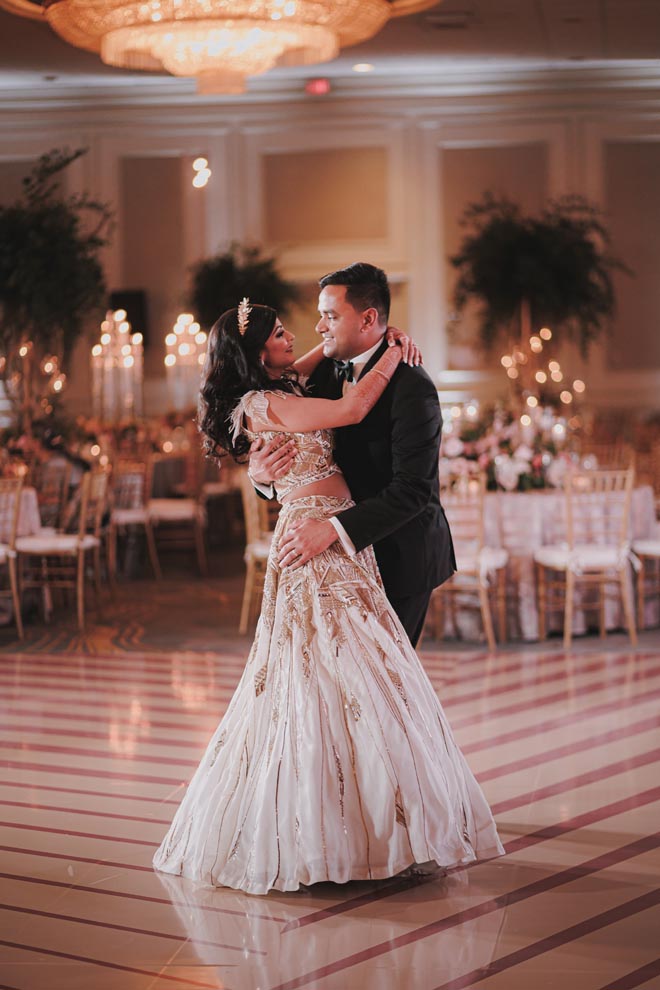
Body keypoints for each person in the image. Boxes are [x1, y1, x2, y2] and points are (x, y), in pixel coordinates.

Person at [152, 300, 503, 896]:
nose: (298, 334)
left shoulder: (285, 384)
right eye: (281, 332)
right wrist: (392, 351)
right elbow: (353, 407)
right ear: (259, 352)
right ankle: (343, 831)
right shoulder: (267, 401)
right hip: (317, 535)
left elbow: (331, 355)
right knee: (334, 672)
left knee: (366, 673)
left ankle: (384, 821)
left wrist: (384, 333)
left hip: (348, 534)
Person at [249, 262, 455, 647]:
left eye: (330, 316)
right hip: (338, 558)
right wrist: (260, 476)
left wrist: (330, 530)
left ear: (368, 319)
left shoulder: (413, 386)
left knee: (384, 688)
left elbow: (413, 490)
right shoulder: (322, 373)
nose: (319, 326)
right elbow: (300, 448)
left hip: (399, 555)